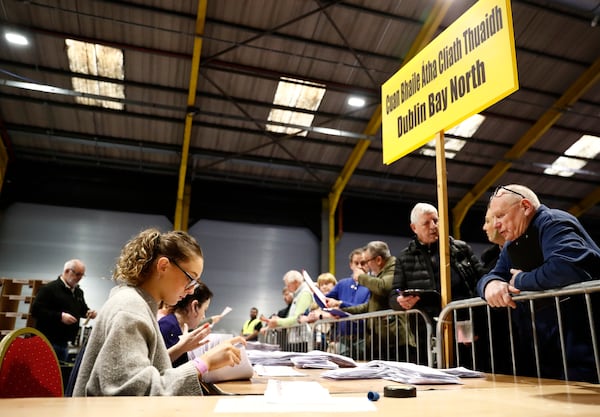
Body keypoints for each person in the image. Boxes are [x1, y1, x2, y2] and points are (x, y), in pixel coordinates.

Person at [73, 228, 246, 396]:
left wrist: (180, 350)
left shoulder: (135, 303)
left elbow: (141, 371)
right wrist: (203, 363)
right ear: (163, 266)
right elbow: (130, 392)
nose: (192, 290)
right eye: (190, 278)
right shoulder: (130, 310)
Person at [477, 184, 600, 382]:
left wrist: (520, 280)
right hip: (548, 338)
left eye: (500, 216)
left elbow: (566, 267)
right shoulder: (511, 244)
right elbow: (492, 275)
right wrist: (490, 284)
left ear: (525, 207)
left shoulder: (553, 222)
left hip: (584, 334)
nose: (496, 224)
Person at [388, 203, 485, 367]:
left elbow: (480, 279)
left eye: (436, 220)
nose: (433, 226)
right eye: (426, 223)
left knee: (469, 369)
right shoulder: (404, 258)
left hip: (464, 323)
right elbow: (393, 295)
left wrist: (477, 323)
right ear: (414, 228)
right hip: (426, 331)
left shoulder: (460, 249)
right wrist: (400, 302)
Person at [342, 241, 414, 361]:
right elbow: (369, 306)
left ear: (379, 260)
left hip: (395, 341)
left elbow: (383, 287)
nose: (365, 266)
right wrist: (341, 309)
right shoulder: (380, 274)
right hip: (382, 341)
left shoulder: (394, 268)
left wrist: (361, 277)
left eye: (366, 262)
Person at [31, 259, 97, 363]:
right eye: (77, 274)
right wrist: (60, 316)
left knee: (60, 375)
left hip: (65, 343)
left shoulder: (78, 292)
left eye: (82, 275)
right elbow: (36, 311)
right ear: (67, 271)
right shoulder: (49, 289)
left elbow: (82, 309)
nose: (79, 278)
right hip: (47, 342)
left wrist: (88, 313)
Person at [159, 282, 218, 367]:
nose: (204, 316)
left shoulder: (176, 326)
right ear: (194, 306)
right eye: (205, 310)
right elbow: (156, 366)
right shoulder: (167, 326)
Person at [324, 248, 371, 355]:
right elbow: (325, 299)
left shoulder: (372, 284)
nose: (359, 266)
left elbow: (364, 307)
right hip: (343, 337)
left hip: (363, 337)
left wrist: (340, 303)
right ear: (351, 265)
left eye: (363, 263)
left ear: (368, 264)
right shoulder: (342, 284)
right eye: (356, 263)